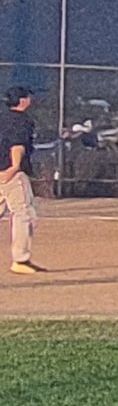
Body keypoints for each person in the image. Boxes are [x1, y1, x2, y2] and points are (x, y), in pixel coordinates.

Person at [2, 85, 38, 274]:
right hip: (11, 173)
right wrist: (15, 166)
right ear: (22, 101)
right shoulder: (22, 120)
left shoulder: (2, 117)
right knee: (24, 213)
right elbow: (17, 144)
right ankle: (20, 259)